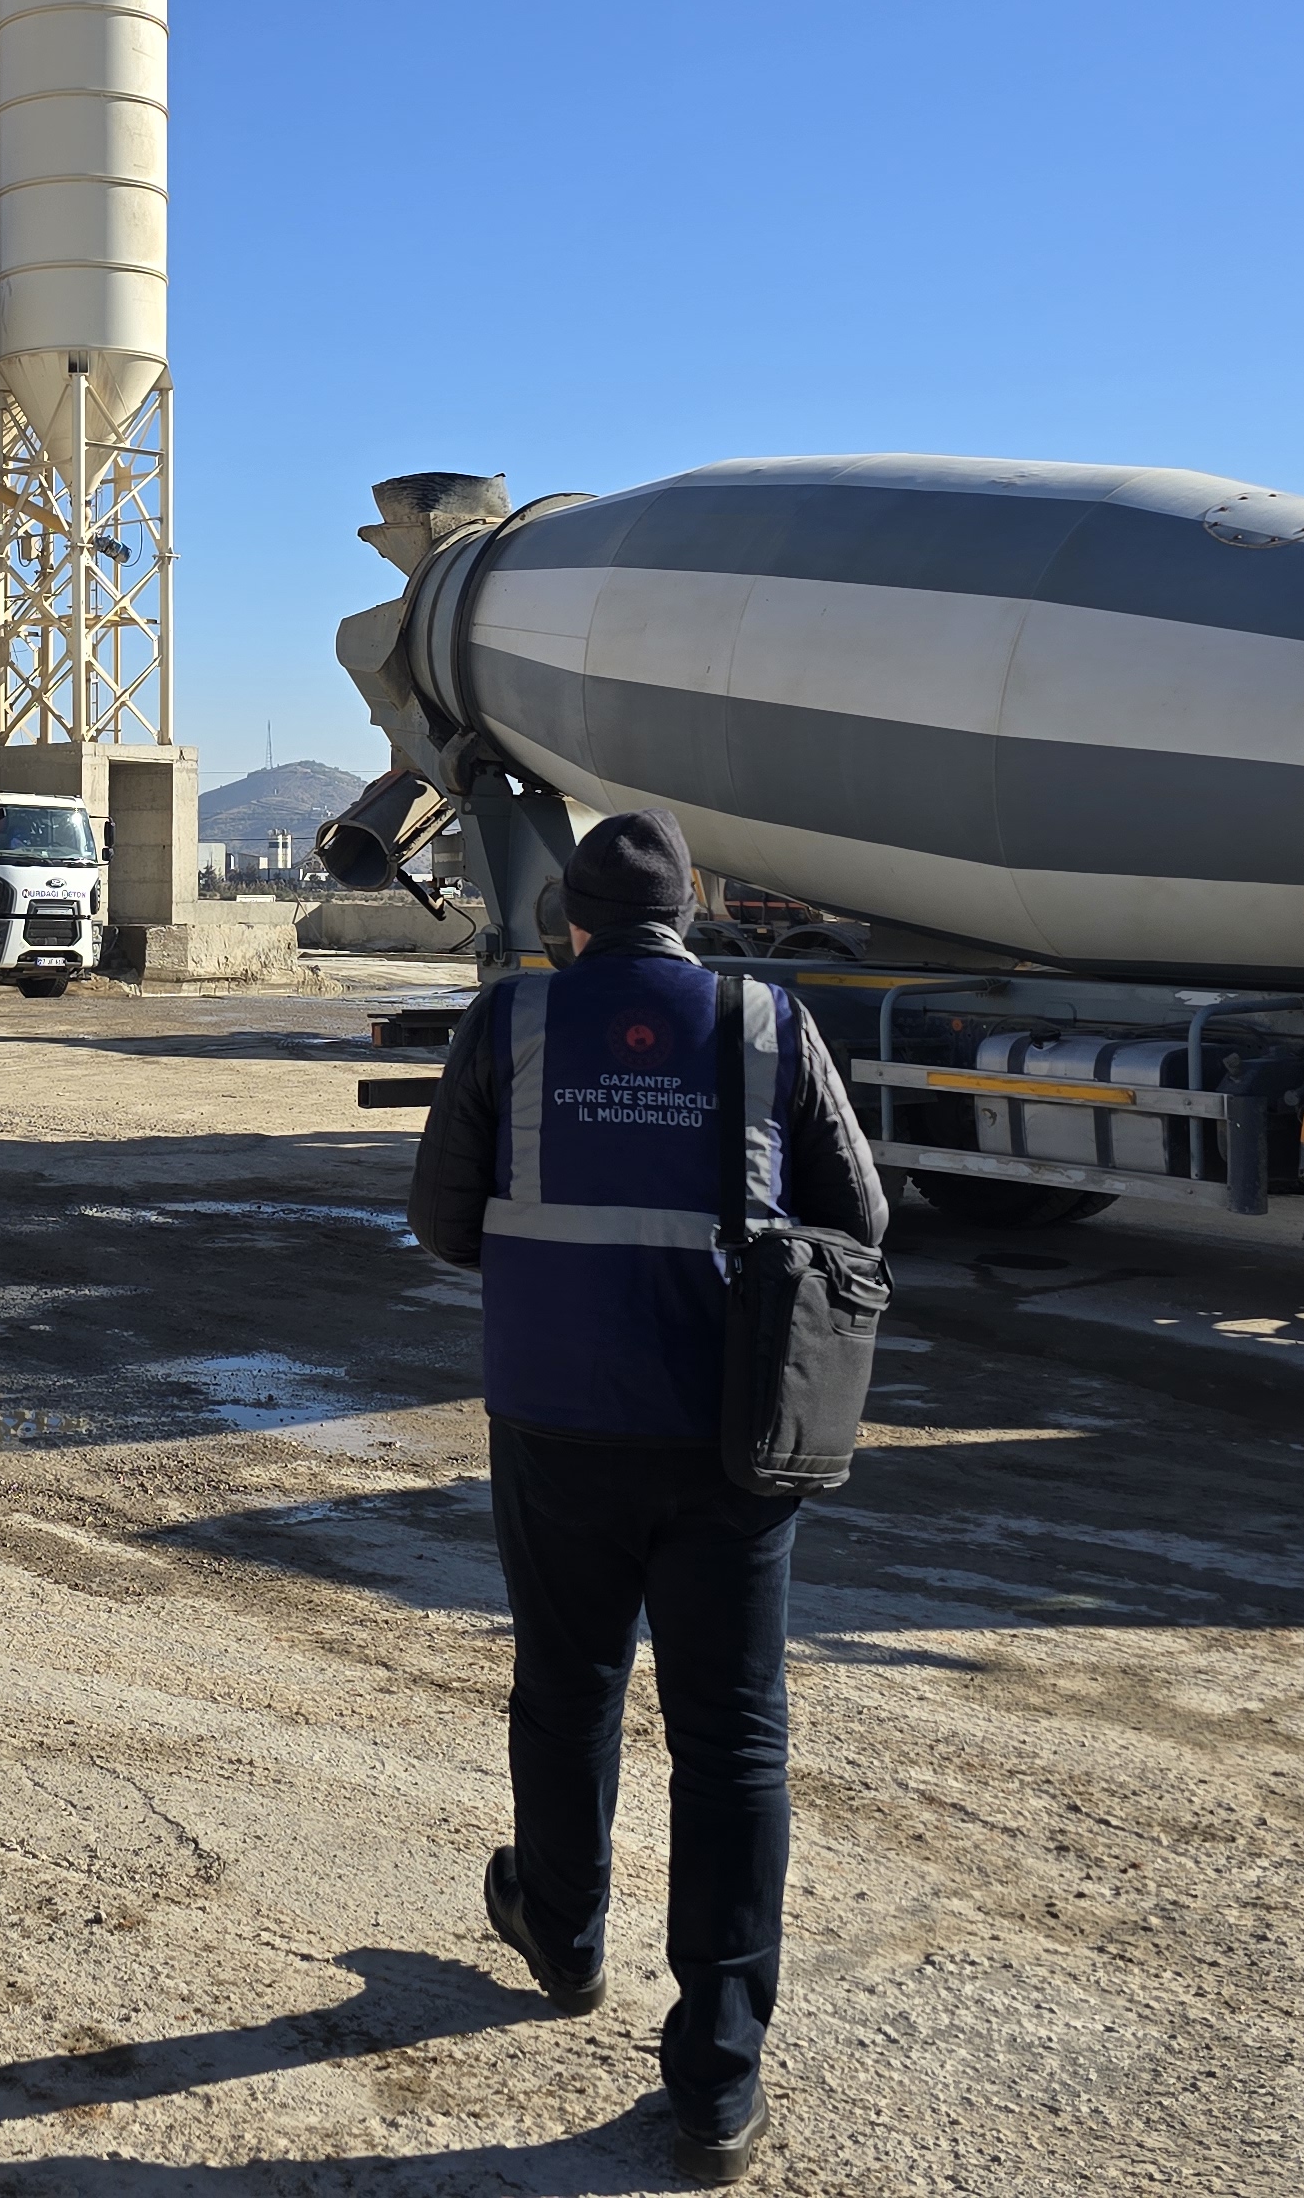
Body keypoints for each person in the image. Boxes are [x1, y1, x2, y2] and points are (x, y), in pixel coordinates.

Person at [407, 808, 886, 2185]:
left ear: (571, 917)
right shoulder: (764, 1021)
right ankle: (718, 2081)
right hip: (732, 1436)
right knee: (734, 1739)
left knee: (567, 1686)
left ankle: (560, 1937)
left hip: (557, 1420)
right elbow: (860, 1222)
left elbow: (443, 1222)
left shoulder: (509, 1025)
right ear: (691, 910)